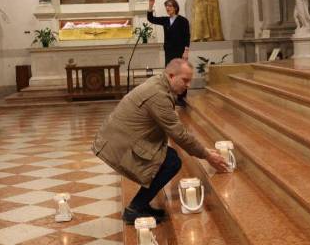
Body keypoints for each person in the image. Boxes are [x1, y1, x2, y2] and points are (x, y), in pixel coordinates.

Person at [93, 59, 228, 224]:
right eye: (185, 80)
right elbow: (178, 133)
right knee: (171, 162)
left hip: (123, 138)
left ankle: (140, 206)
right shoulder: (158, 94)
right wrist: (207, 155)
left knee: (168, 157)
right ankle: (135, 209)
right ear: (171, 76)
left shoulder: (159, 84)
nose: (188, 85)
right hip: (122, 144)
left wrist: (203, 150)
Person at [147, 0, 191, 106]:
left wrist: (186, 51)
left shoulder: (183, 20)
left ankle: (181, 97)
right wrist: (150, 6)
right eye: (166, 6)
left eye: (170, 6)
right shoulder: (165, 20)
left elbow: (187, 36)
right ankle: (172, 96)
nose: (168, 8)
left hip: (180, 51)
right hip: (169, 51)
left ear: (175, 7)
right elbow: (151, 19)